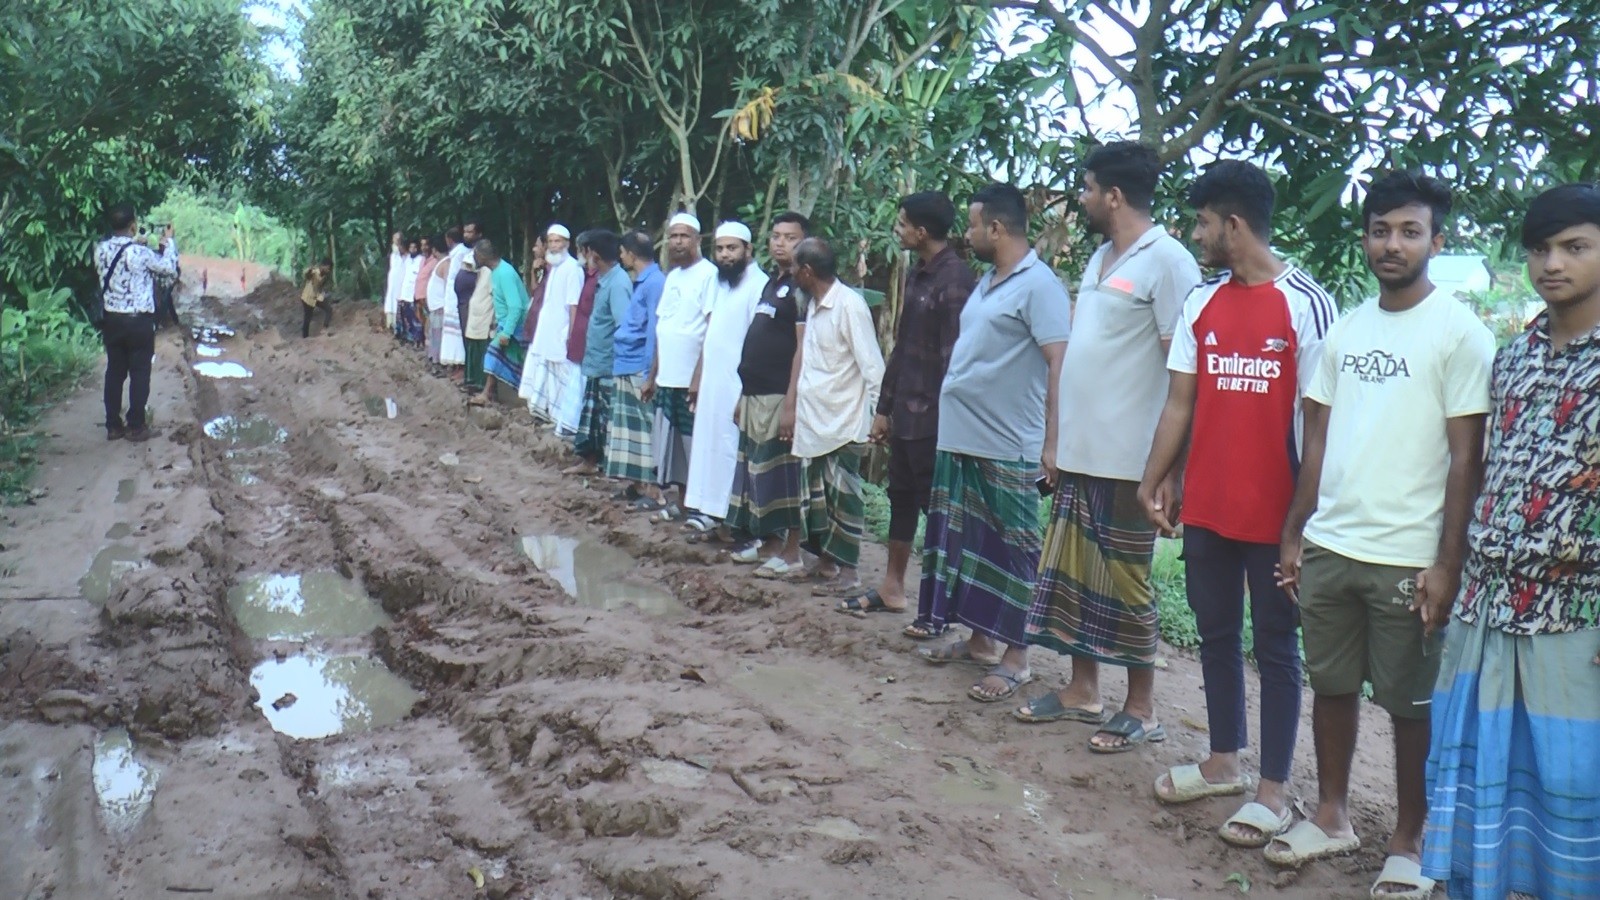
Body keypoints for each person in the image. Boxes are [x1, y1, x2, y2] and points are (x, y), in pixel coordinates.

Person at [1272, 172, 1497, 896]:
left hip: (1409, 556)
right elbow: (1318, 438)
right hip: (1334, 546)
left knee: (1410, 705)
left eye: (1408, 231)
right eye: (1379, 230)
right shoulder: (1346, 329)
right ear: (1365, 237)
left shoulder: (1462, 335)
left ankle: (1410, 838)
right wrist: (1295, 533)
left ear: (1437, 240)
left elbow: (1468, 458)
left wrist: (1446, 564)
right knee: (1331, 686)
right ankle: (1332, 813)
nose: (1391, 244)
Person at [1136, 160, 1337, 846]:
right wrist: (1156, 477)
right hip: (1211, 508)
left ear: (1234, 225)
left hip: (1278, 518)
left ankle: (1274, 791)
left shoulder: (1307, 303)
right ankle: (1224, 759)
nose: (1195, 235)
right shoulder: (1202, 301)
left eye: (1201, 222)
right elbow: (1180, 403)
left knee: (1277, 647)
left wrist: (1302, 524)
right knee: (1216, 632)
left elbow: (1320, 427)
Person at [1421, 183, 1600, 900]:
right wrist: (1452, 568)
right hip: (1488, 606)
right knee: (1475, 768)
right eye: (1539, 249)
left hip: (1576, 613)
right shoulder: (1516, 354)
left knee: (1570, 779)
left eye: (1574, 247)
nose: (1552, 263)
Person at [1013, 143, 1201, 742]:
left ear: (1114, 196)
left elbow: (1185, 374)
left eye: (1089, 188)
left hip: (1131, 460)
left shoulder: (1167, 262)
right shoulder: (1099, 258)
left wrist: (1170, 469)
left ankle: (1141, 708)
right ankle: (1082, 689)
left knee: (1126, 580)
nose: (1084, 198)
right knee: (1074, 575)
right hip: (1080, 453)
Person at [912, 182, 1072, 704]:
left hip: (1011, 443)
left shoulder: (1038, 285)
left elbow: (1058, 364)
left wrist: (1053, 444)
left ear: (997, 229)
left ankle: (1017, 658)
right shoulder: (988, 282)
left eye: (975, 223)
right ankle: (981, 641)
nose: (968, 232)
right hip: (967, 439)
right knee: (974, 546)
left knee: (1014, 549)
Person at [842, 191, 973, 615]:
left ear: (921, 231)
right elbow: (901, 350)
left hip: (937, 421)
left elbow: (957, 359)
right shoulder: (918, 273)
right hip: (906, 416)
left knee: (937, 510)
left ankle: (939, 605)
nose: (896, 230)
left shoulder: (956, 281)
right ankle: (893, 587)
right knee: (901, 499)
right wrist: (884, 410)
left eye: (901, 224)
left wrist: (949, 422)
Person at [789, 237, 885, 594]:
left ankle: (849, 572)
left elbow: (872, 367)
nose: (792, 274)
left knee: (844, 499)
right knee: (817, 500)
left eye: (796, 268)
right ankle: (827, 564)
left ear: (808, 271)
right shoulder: (814, 305)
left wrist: (879, 417)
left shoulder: (850, 306)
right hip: (814, 422)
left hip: (844, 423)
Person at [726, 212, 812, 575]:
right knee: (756, 473)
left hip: (779, 395)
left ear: (804, 242)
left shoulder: (802, 288)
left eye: (789, 237)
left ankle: (793, 554)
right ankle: (770, 544)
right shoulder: (770, 283)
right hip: (754, 394)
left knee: (785, 474)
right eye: (776, 236)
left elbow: (802, 348)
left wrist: (791, 403)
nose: (780, 243)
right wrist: (741, 395)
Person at [682, 222, 769, 538]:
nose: (725, 255)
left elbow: (756, 343)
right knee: (708, 444)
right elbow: (710, 335)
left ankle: (729, 517)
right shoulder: (717, 283)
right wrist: (698, 378)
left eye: (732, 248)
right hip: (712, 384)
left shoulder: (759, 284)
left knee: (730, 447)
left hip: (738, 384)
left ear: (748, 250)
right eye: (719, 249)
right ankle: (706, 510)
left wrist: (745, 391)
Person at [643, 212, 720, 520]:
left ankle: (701, 508)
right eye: (673, 236)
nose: (677, 242)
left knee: (694, 445)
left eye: (683, 236)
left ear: (697, 240)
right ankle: (682, 503)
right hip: (667, 378)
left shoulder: (709, 275)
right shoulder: (672, 276)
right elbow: (664, 327)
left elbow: (711, 329)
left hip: (691, 379)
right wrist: (652, 376)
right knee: (672, 446)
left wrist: (698, 377)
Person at [95, 204, 178, 442]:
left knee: (114, 371)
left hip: (112, 320)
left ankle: (112, 425)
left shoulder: (99, 250)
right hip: (138, 321)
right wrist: (169, 243)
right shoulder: (140, 253)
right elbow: (169, 271)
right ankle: (136, 425)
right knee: (140, 372)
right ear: (133, 225)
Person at [607, 229, 666, 500]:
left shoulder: (654, 282)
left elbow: (655, 329)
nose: (620, 257)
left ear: (631, 254)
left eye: (622, 253)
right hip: (626, 362)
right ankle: (636, 484)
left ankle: (651, 489)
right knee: (628, 429)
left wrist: (648, 373)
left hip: (637, 365)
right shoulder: (644, 281)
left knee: (643, 429)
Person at [566, 230, 630, 476]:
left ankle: (606, 467)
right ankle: (590, 462)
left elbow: (621, 325)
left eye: (585, 251)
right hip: (596, 360)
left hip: (607, 363)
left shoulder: (618, 283)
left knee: (605, 417)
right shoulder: (605, 279)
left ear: (594, 254)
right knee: (593, 416)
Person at [523, 224, 583, 423]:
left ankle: (562, 421)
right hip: (547, 332)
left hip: (562, 332)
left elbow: (573, 305)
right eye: (551, 241)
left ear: (566, 244)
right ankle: (549, 415)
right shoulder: (554, 268)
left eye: (558, 241)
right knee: (547, 372)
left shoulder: (573, 268)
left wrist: (571, 335)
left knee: (562, 376)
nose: (554, 246)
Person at [470, 240, 531, 407]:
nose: (473, 258)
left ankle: (487, 394)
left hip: (516, 326)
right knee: (506, 359)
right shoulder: (497, 272)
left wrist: (507, 332)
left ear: (483, 256)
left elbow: (516, 306)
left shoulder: (504, 274)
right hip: (508, 323)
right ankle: (496, 394)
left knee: (493, 355)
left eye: (475, 254)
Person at [555, 233, 601, 438]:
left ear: (588, 251)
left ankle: (577, 430)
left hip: (589, 342)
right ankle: (570, 426)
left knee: (582, 386)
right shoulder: (588, 275)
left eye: (579, 249)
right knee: (575, 384)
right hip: (581, 340)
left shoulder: (599, 278)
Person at [460, 236, 496, 394]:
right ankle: (471, 382)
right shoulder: (481, 270)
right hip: (475, 317)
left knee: (481, 352)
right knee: (472, 350)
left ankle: (481, 385)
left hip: (484, 317)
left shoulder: (493, 273)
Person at [438, 227, 470, 372]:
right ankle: (455, 363)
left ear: (449, 240)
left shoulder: (460, 253)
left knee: (456, 332)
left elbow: (456, 276)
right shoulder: (458, 253)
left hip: (456, 297)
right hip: (452, 296)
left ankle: (459, 364)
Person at [415, 236, 442, 359]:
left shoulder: (435, 262)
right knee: (423, 323)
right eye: (421, 245)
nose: (423, 248)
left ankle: (432, 353)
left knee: (430, 326)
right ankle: (428, 351)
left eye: (426, 245)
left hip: (428, 300)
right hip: (419, 298)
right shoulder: (422, 260)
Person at [301, 257, 334, 338]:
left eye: (329, 269)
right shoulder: (315, 272)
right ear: (324, 266)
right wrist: (308, 270)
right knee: (307, 318)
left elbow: (319, 287)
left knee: (328, 309)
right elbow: (306, 274)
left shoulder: (324, 276)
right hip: (307, 298)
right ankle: (305, 337)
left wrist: (323, 294)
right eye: (328, 268)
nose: (328, 270)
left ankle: (325, 328)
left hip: (315, 297)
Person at [399, 238, 424, 343]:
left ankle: (419, 338)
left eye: (414, 247)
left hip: (415, 293)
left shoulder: (421, 259)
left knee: (416, 317)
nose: (412, 249)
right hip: (405, 293)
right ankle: (409, 336)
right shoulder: (407, 259)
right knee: (407, 317)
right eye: (410, 247)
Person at [384, 231, 406, 333]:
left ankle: (398, 327)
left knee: (397, 301)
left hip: (400, 280)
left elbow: (402, 252)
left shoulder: (402, 251)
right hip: (393, 280)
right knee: (391, 300)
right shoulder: (392, 252)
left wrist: (399, 244)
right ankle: (390, 325)